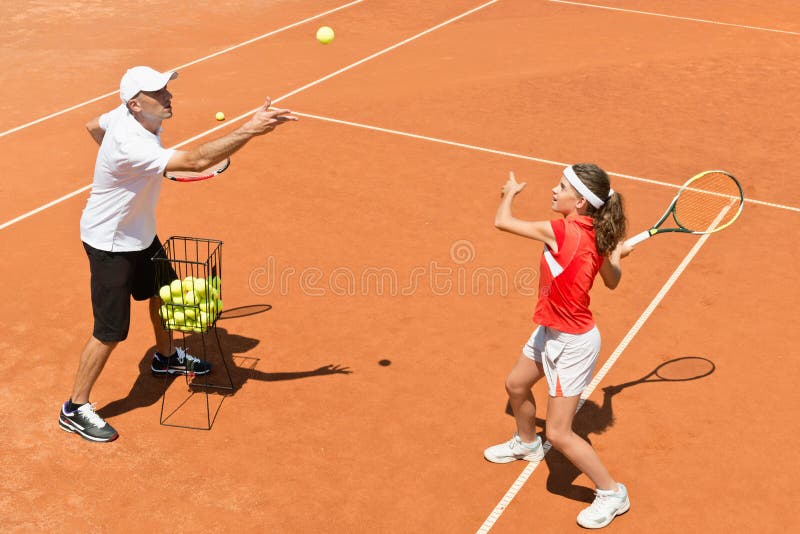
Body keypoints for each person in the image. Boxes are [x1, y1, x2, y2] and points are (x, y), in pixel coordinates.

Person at [59, 66, 297, 442]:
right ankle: (74, 407)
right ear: (137, 104)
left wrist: (132, 174)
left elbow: (93, 126)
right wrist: (251, 129)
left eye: (167, 88)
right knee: (109, 331)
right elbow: (199, 160)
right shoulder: (130, 143)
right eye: (159, 93)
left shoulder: (125, 114)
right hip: (109, 243)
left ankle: (166, 357)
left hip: (139, 233)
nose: (168, 96)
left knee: (162, 296)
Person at [485, 164, 632, 529]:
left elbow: (503, 222)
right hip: (549, 330)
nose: (554, 189)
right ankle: (526, 443)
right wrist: (610, 256)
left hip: (573, 343)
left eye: (562, 186)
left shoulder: (560, 231)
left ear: (580, 201)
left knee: (559, 433)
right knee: (516, 385)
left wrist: (509, 193)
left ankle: (613, 493)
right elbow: (612, 281)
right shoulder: (596, 233)